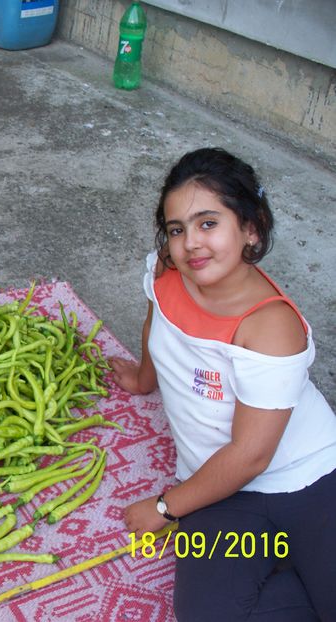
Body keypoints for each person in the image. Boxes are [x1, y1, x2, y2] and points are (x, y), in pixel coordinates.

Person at [111, 147, 336, 621]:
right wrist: (143, 377)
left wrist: (163, 508)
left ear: (250, 229)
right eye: (178, 228)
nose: (191, 242)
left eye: (208, 223)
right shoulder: (166, 271)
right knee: (206, 614)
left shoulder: (271, 326)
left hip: (310, 479)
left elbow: (251, 454)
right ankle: (297, 571)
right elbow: (159, 323)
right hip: (219, 489)